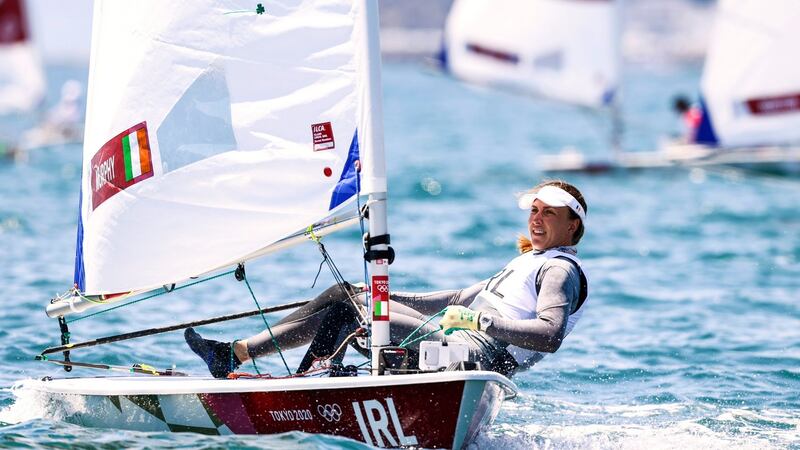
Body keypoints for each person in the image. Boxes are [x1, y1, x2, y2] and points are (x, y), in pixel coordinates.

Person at [186, 180, 589, 379]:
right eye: (534, 210)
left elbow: (549, 335)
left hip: (478, 360)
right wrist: (384, 293)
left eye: (549, 213)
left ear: (573, 227)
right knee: (349, 296)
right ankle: (234, 354)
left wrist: (478, 321)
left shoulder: (559, 270)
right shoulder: (527, 261)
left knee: (359, 316)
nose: (536, 219)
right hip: (454, 341)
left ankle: (306, 383)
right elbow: (450, 299)